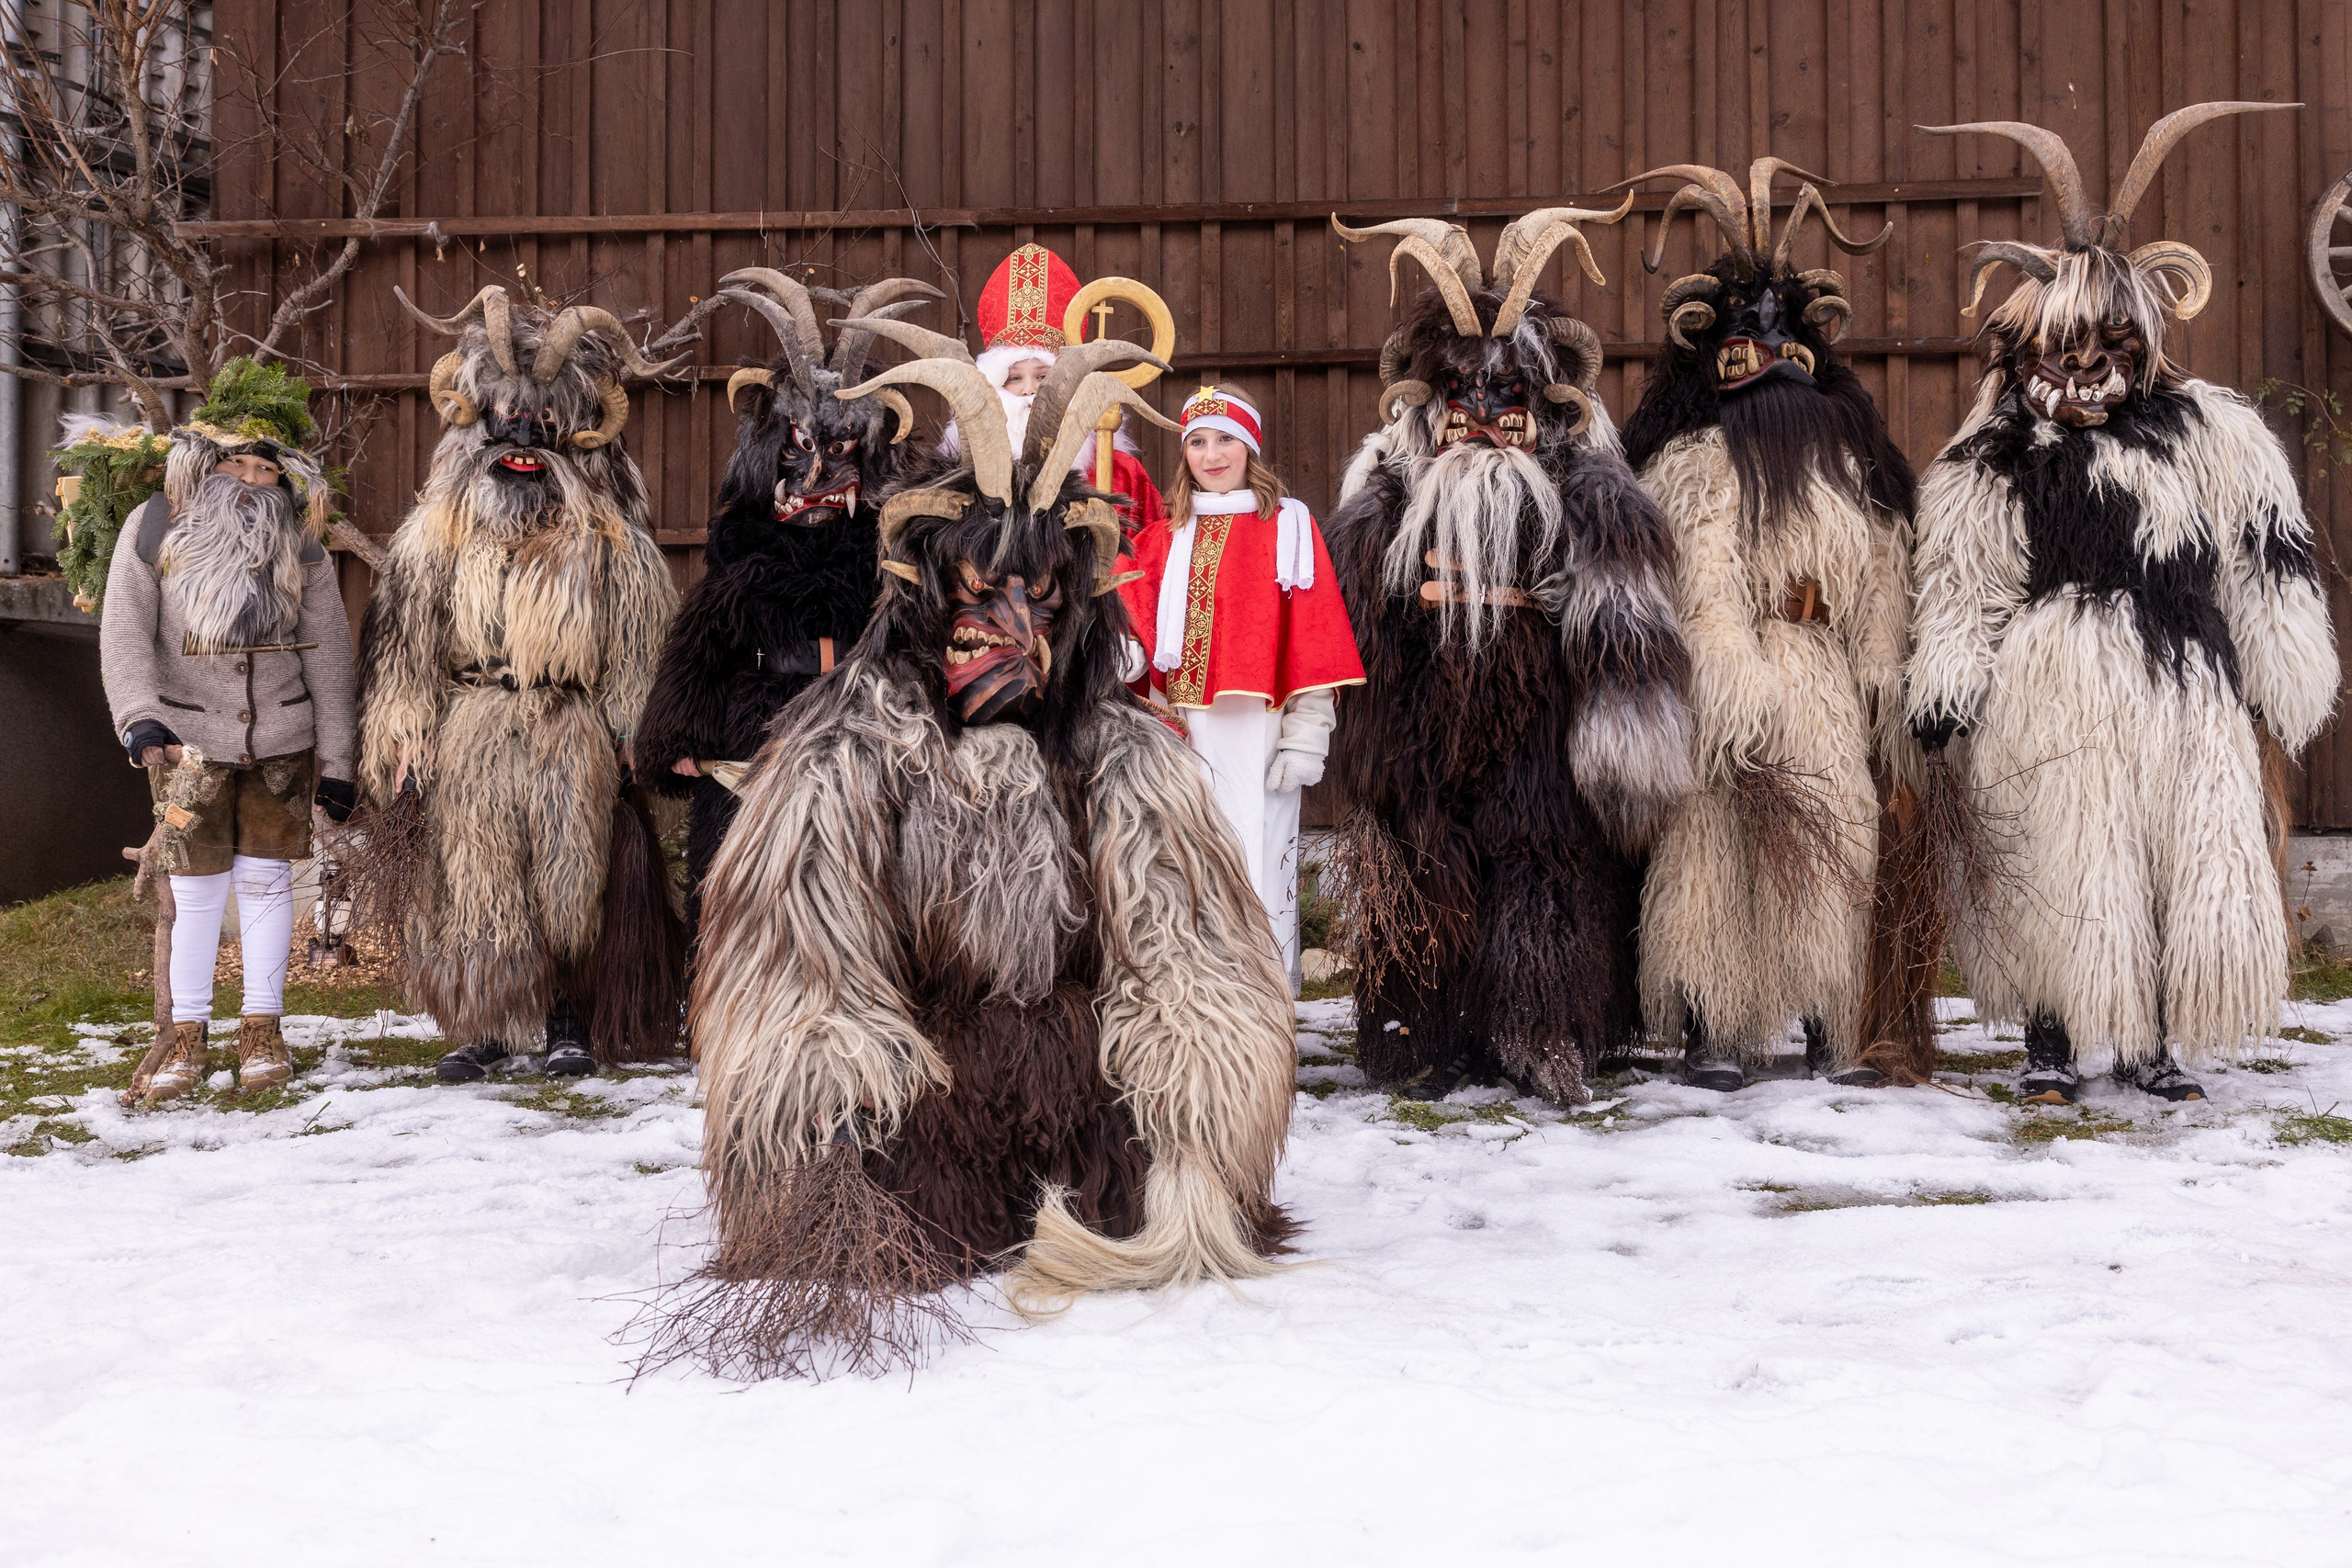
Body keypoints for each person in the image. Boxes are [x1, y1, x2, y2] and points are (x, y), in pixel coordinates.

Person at [656, 321, 1296, 1382]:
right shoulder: (846, 754)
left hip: (1085, 1107)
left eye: (1039, 599)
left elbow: (1189, 962)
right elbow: (802, 970)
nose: (1008, 627)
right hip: (925, 1112)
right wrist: (833, 1116)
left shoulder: (1123, 758)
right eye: (976, 597)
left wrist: (1192, 1124)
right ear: (926, 599)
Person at [1906, 106, 2335, 1104]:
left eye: (2111, 342)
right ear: (2031, 346)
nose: (2087, 365)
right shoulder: (1995, 453)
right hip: (2050, 678)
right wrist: (1948, 685)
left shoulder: (2210, 433)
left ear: (2142, 341)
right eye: (2065, 344)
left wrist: (2283, 670)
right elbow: (1965, 579)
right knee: (2059, 850)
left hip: (2184, 681)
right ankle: (2050, 1043)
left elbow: (2267, 553)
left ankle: (2151, 1044)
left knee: (2176, 853)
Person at [1326, 209, 1691, 1106]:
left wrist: (1623, 739)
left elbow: (1630, 626)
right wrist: (1370, 736)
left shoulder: (1586, 487)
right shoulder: (1389, 490)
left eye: (1509, 395)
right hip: (1423, 727)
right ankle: (1427, 1031)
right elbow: (1356, 625)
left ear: (1545, 397)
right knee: (1426, 863)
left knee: (1546, 867)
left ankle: (1543, 1029)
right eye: (1462, 395)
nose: (1485, 417)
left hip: (1542, 726)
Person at [1615, 157, 1917, 1092]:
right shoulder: (1695, 462)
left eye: (1789, 338)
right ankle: (1713, 1022)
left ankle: (1828, 1019)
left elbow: (1881, 565)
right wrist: (1728, 673)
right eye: (1746, 341)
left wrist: (1878, 660)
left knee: (1834, 836)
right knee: (1714, 850)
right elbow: (1698, 578)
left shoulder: (1848, 461)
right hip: (1727, 680)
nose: (1771, 358)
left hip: (1819, 673)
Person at [361, 286, 683, 1082]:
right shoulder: (434, 537)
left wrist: (630, 729)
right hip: (470, 726)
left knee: (572, 878)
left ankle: (570, 1016)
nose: (523, 444)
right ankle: (491, 1022)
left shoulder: (610, 540)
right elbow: (405, 644)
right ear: (477, 421)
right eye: (507, 422)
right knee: (478, 876)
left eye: (543, 426)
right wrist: (405, 730)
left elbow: (635, 644)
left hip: (568, 727)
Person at [634, 270, 938, 924]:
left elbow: (914, 646)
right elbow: (704, 639)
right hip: (755, 727)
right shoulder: (745, 552)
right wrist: (677, 732)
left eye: (840, 447)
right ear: (776, 445)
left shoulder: (889, 560)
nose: (819, 470)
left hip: (854, 719)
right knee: (737, 886)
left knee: (850, 887)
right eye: (803, 445)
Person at [99, 383, 354, 1105]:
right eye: (237, 463)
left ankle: (262, 1030)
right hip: (187, 751)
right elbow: (124, 629)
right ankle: (186, 1035)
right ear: (206, 461)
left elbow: (331, 651)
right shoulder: (155, 526)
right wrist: (139, 718)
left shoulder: (300, 539)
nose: (251, 479)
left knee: (268, 884)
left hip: (281, 745)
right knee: (196, 885)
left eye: (266, 469)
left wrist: (339, 759)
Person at [1130, 385, 1363, 988]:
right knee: (1184, 869)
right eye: (1197, 442)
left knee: (1257, 866)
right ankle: (1198, 1007)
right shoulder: (1161, 537)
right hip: (1176, 733)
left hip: (1260, 730)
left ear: (1250, 447)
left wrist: (1306, 737)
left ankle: (1267, 1005)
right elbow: (1131, 626)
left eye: (1225, 440)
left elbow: (1314, 638)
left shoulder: (1287, 526)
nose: (1211, 455)